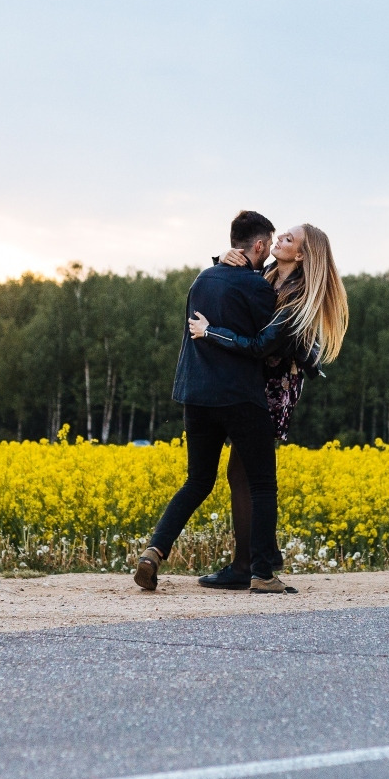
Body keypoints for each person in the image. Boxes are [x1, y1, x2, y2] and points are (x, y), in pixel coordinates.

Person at [135, 210, 292, 594]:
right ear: (257, 245)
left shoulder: (201, 279)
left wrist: (220, 261)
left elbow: (218, 301)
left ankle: (153, 553)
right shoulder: (259, 289)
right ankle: (262, 574)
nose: (270, 253)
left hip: (196, 395)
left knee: (197, 481)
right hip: (239, 397)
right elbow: (264, 340)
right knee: (261, 485)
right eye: (268, 246)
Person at [186, 222, 349, 590]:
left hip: (271, 391)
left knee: (250, 477)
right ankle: (252, 563)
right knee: (240, 476)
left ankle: (252, 567)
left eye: (288, 239)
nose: (278, 240)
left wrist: (211, 332)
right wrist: (225, 259)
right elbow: (233, 289)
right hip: (247, 384)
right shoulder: (271, 275)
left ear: (303, 255)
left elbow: (260, 344)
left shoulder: (299, 299)